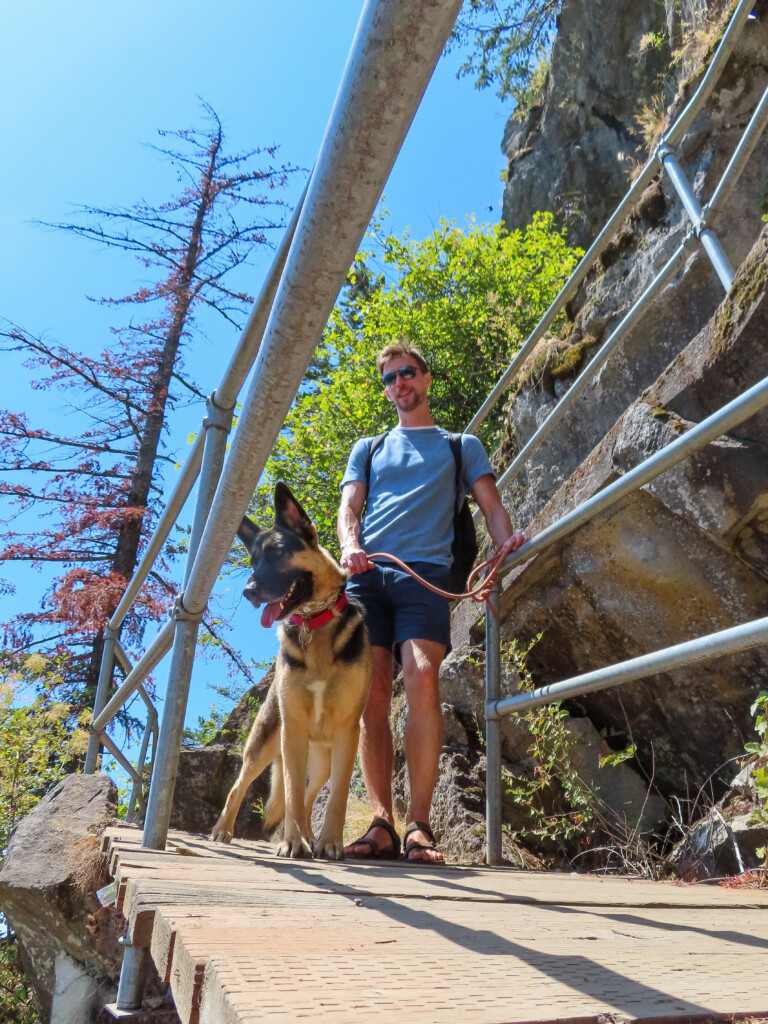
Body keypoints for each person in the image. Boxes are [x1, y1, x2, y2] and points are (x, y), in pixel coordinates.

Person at [337, 341, 527, 864]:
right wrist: (350, 545)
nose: (398, 383)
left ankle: (419, 824)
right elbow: (348, 507)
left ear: (426, 378)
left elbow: (492, 508)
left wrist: (503, 548)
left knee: (421, 675)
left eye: (407, 373)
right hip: (368, 576)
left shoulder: (460, 445)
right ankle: (381, 823)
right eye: (389, 378)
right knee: (370, 692)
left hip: (426, 575)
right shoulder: (369, 448)